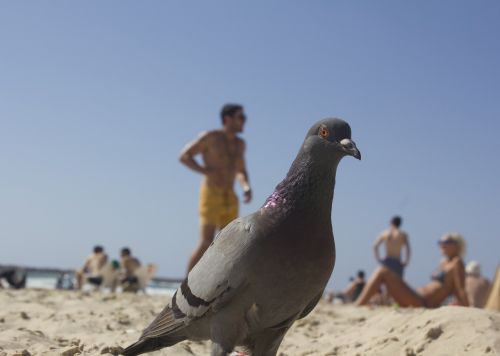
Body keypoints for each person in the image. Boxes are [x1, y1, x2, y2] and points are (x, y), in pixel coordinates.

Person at [180, 103, 252, 272]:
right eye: (241, 117)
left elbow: (241, 170)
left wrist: (246, 187)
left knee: (230, 242)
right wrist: (205, 170)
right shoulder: (211, 137)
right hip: (211, 192)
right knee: (206, 241)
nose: (244, 121)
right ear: (227, 119)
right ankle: (184, 285)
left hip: (230, 194)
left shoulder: (240, 144)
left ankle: (217, 285)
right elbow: (185, 156)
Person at [356, 233, 469, 308]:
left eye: (447, 242)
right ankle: (361, 304)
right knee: (385, 276)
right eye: (440, 242)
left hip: (422, 302)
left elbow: (460, 290)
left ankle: (358, 305)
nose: (442, 245)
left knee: (383, 271)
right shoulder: (444, 262)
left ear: (457, 245)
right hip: (416, 296)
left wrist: (469, 309)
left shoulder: (457, 263)